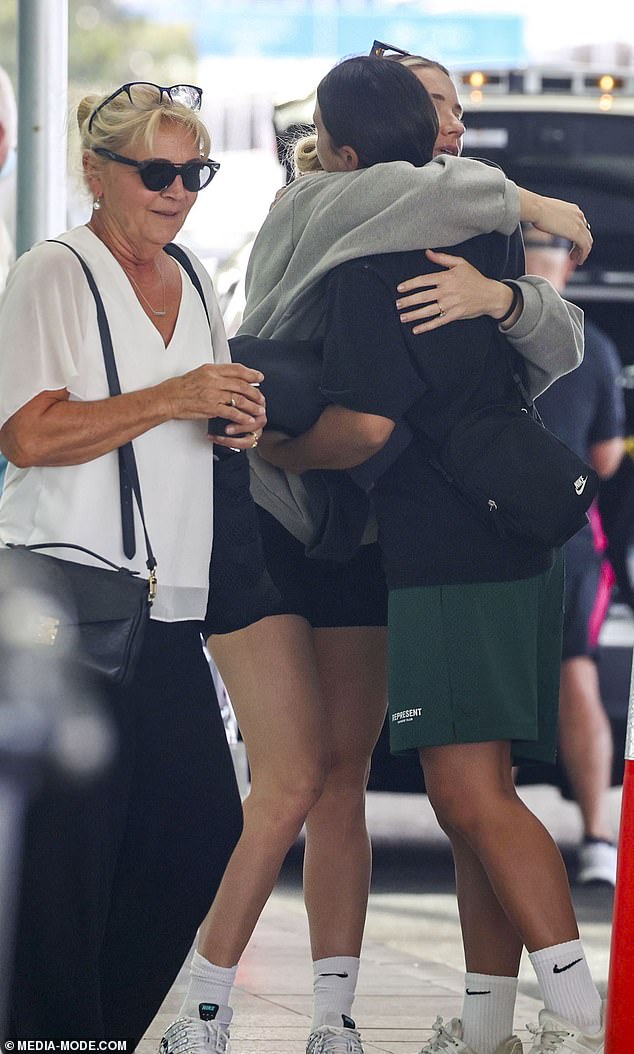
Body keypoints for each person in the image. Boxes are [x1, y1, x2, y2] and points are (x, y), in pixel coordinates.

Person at [161, 58, 594, 1054]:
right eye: (434, 108)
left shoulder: (458, 237)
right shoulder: (328, 213)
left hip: (419, 541)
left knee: (461, 797)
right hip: (328, 529)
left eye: (455, 109)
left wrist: (503, 298)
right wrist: (531, 207)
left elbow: (557, 341)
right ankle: (222, 1010)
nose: (450, 128)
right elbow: (360, 422)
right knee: (370, 790)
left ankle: (518, 1019)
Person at [0, 81, 268, 1044]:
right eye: (155, 172)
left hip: (167, 606)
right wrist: (174, 394)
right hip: (65, 602)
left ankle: (92, 1030)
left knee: (201, 836)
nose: (177, 192)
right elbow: (29, 434)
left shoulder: (195, 276)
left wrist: (231, 417)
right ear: (95, 174)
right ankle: (54, 1034)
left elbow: (192, 412)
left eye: (193, 172)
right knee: (70, 865)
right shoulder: (53, 274)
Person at [527, 227, 625, 886]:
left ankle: (486, 823)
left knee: (485, 683)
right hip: (571, 538)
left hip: (488, 533)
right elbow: (607, 459)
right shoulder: (596, 347)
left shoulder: (486, 335)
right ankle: (598, 840)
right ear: (567, 268)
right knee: (576, 674)